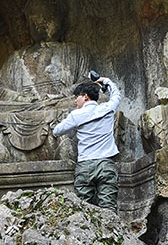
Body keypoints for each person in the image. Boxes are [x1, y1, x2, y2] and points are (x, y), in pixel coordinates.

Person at [52, 77, 122, 211]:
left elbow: (57, 131)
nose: (75, 100)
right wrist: (106, 81)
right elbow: (117, 95)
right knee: (109, 208)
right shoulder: (107, 108)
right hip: (105, 164)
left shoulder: (75, 115)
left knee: (84, 209)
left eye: (77, 97)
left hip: (85, 166)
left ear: (85, 97)